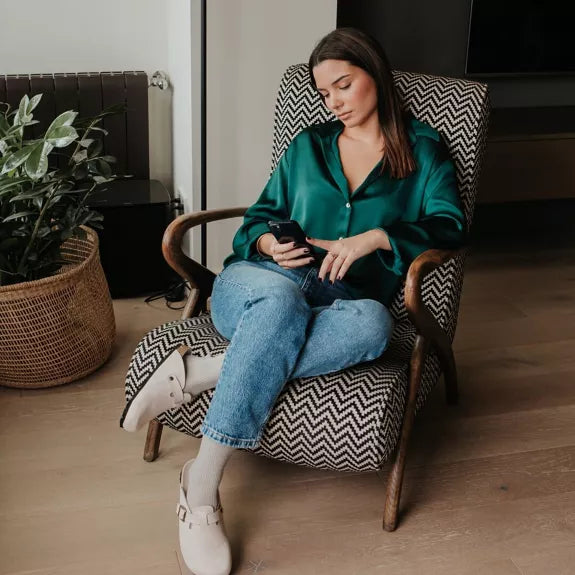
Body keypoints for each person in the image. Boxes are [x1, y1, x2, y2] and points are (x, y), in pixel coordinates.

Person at [120, 27, 466, 575]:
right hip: (259, 285)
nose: (335, 103)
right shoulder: (309, 146)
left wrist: (377, 237)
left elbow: (450, 225)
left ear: (375, 73)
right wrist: (266, 244)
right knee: (281, 302)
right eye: (325, 93)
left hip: (342, 302)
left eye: (344, 85)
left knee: (374, 325)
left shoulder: (423, 151)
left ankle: (200, 372)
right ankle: (202, 484)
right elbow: (256, 221)